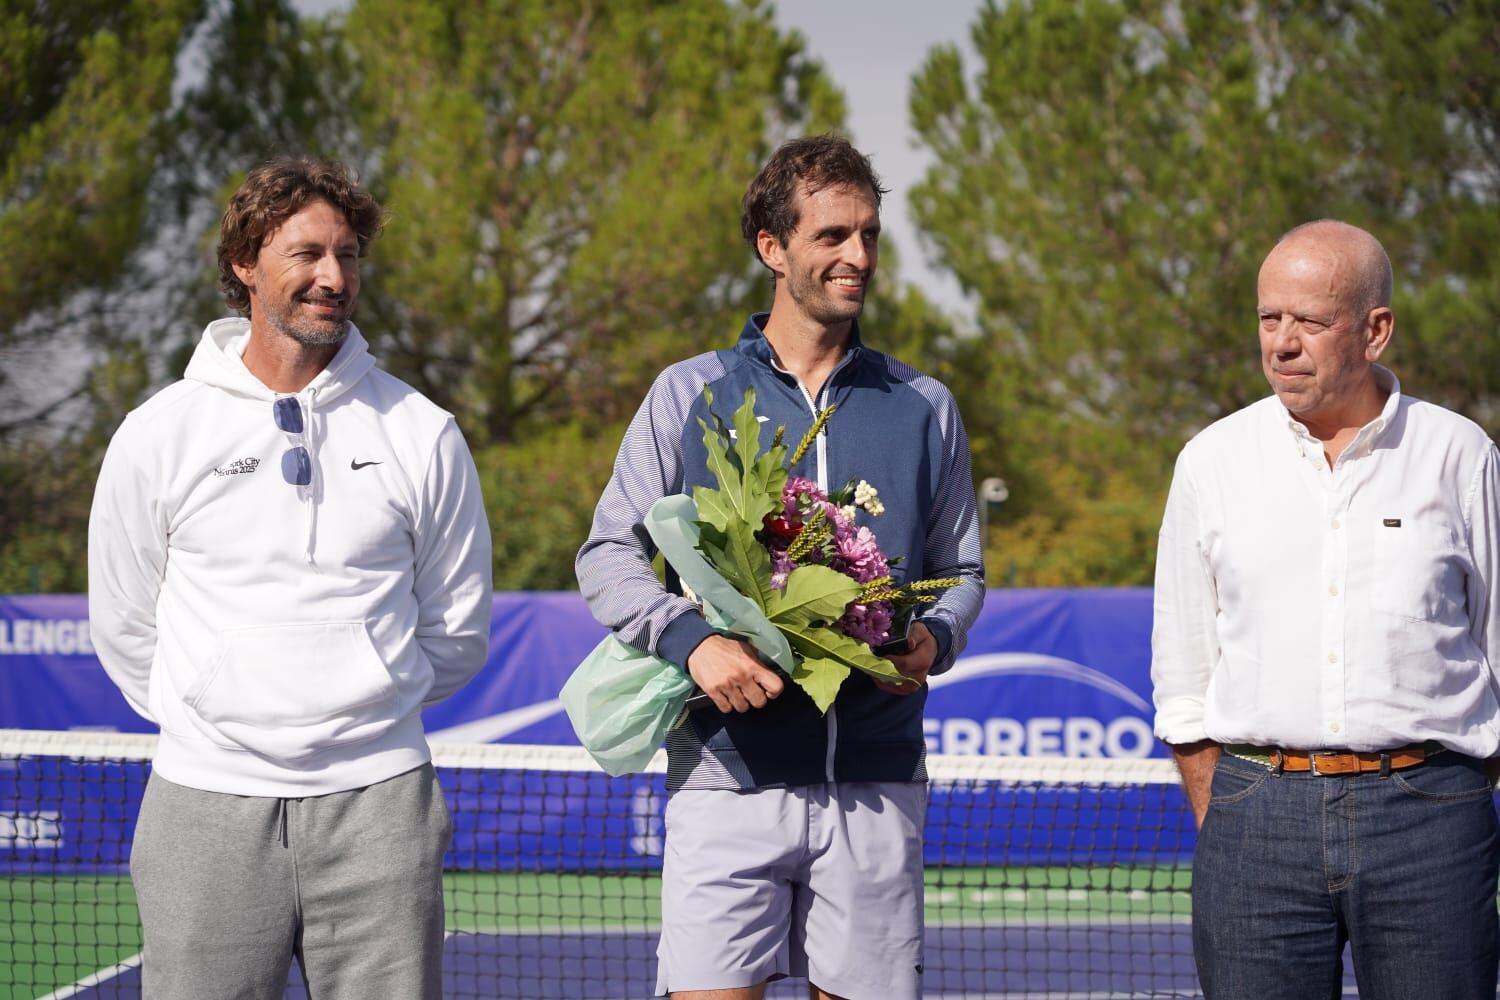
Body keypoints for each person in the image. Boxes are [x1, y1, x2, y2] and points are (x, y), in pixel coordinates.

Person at [576, 134, 985, 999]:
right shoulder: (688, 393)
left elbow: (964, 572)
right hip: (727, 777)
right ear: (773, 248)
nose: (858, 257)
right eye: (833, 236)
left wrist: (933, 643)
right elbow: (609, 553)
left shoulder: (924, 406)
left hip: (875, 780)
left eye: (869, 235)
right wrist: (693, 643)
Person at [88, 157, 493, 999]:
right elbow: (124, 625)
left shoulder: (423, 431)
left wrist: (368, 707)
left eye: (348, 255)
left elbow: (455, 630)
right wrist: (210, 711)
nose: (332, 277)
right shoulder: (158, 431)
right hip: (204, 806)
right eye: (306, 254)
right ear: (245, 263)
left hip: (382, 804)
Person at [1151, 219, 1500, 998]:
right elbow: (1182, 672)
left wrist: (1456, 799)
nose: (1281, 342)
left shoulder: (1461, 455)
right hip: (1254, 821)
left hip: (1433, 819)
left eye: (1309, 321)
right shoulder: (1212, 461)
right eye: (1269, 318)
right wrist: (1233, 809)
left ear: (1376, 330)